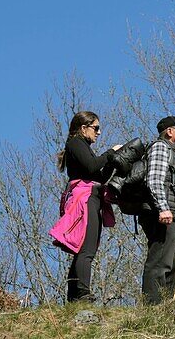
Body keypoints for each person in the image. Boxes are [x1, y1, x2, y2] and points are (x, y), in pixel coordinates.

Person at [54, 111, 121, 303]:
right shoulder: (76, 143)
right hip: (84, 198)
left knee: (83, 248)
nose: (99, 132)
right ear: (84, 128)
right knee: (86, 249)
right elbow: (92, 166)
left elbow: (98, 175)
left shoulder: (81, 146)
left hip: (90, 196)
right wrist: (110, 153)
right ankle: (82, 294)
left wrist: (113, 161)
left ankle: (75, 296)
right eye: (96, 128)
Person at [140, 115, 175, 305]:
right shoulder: (160, 147)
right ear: (170, 131)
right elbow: (154, 181)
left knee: (173, 265)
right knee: (159, 262)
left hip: (170, 214)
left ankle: (165, 306)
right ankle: (152, 307)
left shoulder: (172, 152)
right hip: (161, 214)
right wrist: (163, 209)